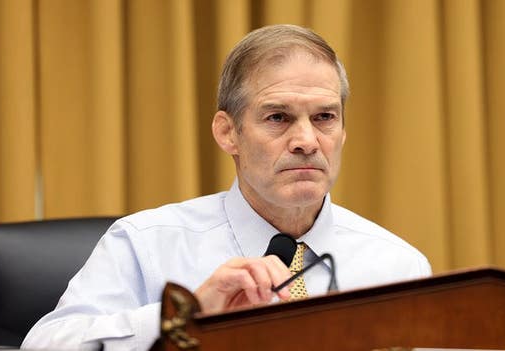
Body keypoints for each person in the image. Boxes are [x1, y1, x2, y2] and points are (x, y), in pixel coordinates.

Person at [22, 24, 431, 350]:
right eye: (277, 118)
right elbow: (42, 345)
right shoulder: (146, 243)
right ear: (227, 133)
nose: (307, 140)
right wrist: (186, 318)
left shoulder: (399, 267)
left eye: (325, 116)